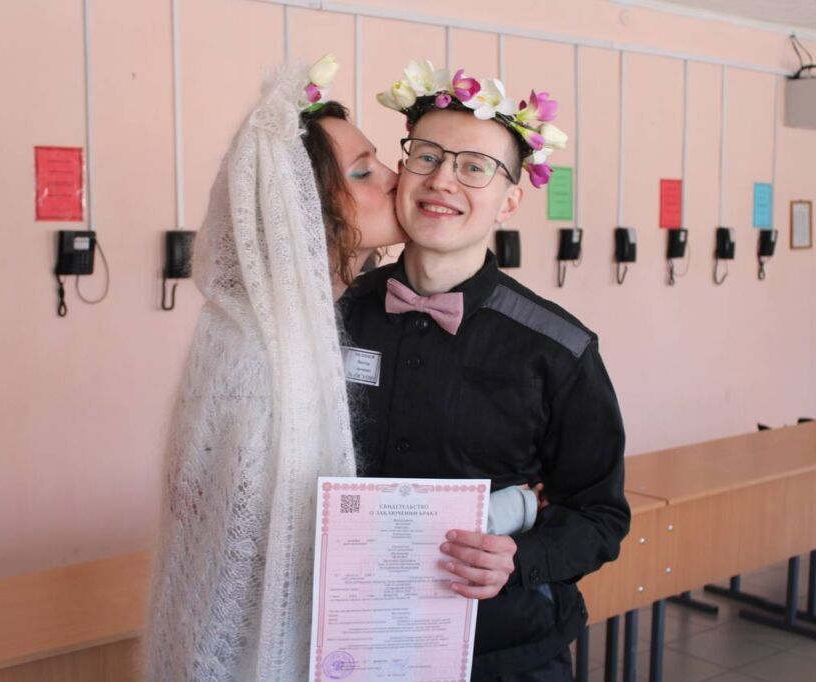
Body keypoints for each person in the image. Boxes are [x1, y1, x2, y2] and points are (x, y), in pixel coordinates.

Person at [340, 60, 631, 680]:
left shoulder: (559, 348)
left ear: (510, 199)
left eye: (475, 167)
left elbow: (599, 516)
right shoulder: (335, 314)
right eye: (426, 156)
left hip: (504, 649)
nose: (442, 179)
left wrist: (518, 558)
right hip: (351, 638)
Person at [143, 56, 402, 681]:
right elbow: (242, 568)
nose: (395, 178)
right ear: (300, 208)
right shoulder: (259, 363)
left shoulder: (311, 328)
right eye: (363, 171)